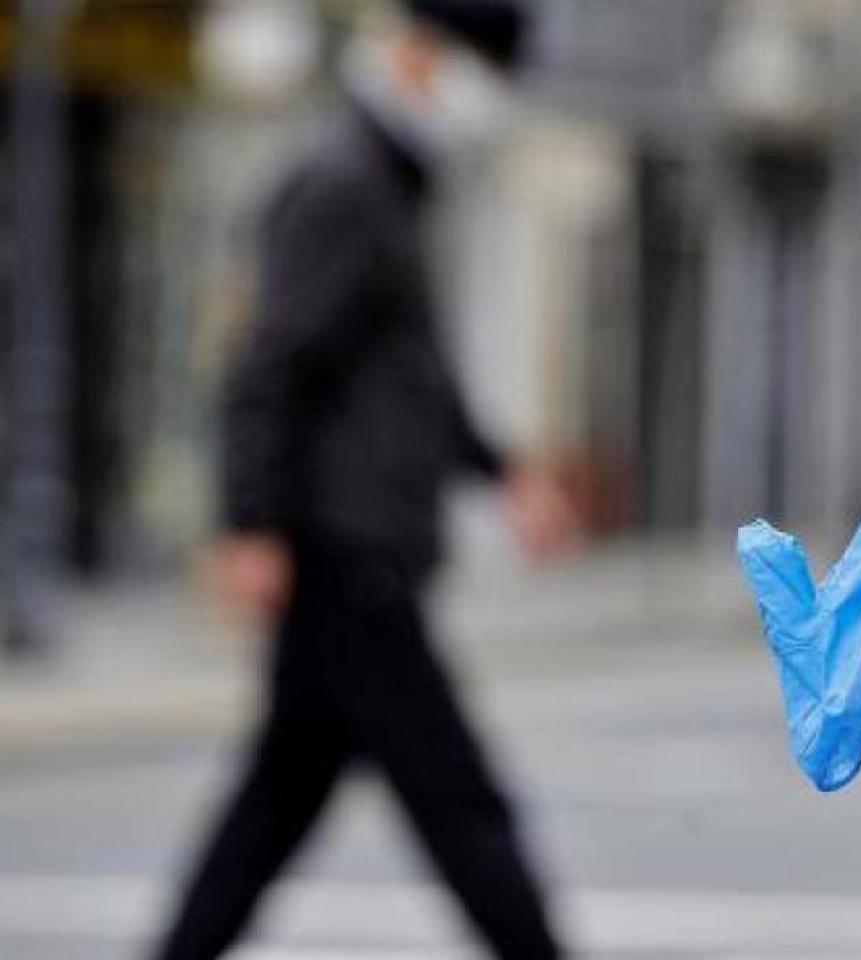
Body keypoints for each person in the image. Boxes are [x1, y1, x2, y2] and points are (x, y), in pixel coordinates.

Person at [153, 2, 573, 957]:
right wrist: (248, 524)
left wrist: (504, 475)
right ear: (422, 57)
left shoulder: (387, 182)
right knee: (458, 798)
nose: (491, 99)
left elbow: (411, 379)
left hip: (356, 549)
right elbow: (268, 364)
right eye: (484, 68)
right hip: (345, 551)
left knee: (277, 800)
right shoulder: (344, 183)